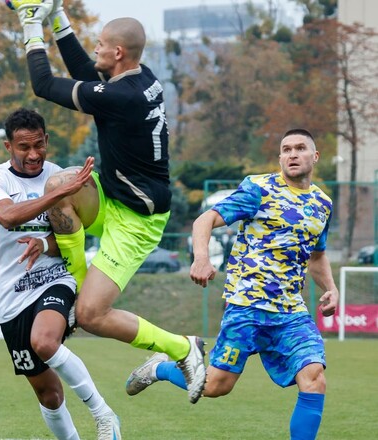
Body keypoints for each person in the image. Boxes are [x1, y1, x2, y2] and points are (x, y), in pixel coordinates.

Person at [8, 0, 206, 403]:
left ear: (117, 53)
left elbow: (43, 85)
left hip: (137, 218)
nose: (95, 48)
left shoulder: (124, 98)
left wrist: (31, 25)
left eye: (100, 44)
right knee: (59, 186)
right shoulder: (138, 77)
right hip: (115, 194)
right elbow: (86, 74)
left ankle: (183, 348)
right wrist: (57, 15)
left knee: (92, 316)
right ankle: (74, 286)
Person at [125, 129, 339, 440]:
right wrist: (201, 258)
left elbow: (317, 256)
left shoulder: (322, 203)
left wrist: (330, 289)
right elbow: (204, 220)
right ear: (280, 157)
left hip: (291, 312)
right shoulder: (259, 189)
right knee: (215, 387)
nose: (292, 154)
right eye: (286, 149)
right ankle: (160, 368)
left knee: (315, 377)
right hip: (246, 306)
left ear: (315, 156)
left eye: (300, 148)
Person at [0, 108, 120, 439]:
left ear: (47, 141)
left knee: (43, 341)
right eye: (24, 147)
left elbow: (76, 234)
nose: (33, 155)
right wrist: (58, 193)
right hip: (11, 294)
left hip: (56, 277)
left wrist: (44, 243)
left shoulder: (61, 175)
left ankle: (104, 415)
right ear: (8, 147)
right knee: (49, 395)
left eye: (39, 145)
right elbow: (8, 216)